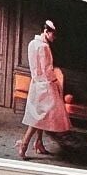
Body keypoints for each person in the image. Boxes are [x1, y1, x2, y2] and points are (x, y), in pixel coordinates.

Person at [15, 20, 71, 160]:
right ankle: (24, 143)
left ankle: (38, 143)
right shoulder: (44, 47)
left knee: (41, 115)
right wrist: (55, 82)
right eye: (53, 35)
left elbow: (35, 68)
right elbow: (47, 69)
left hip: (36, 84)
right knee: (40, 117)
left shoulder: (32, 44)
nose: (54, 38)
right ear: (46, 32)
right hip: (45, 85)